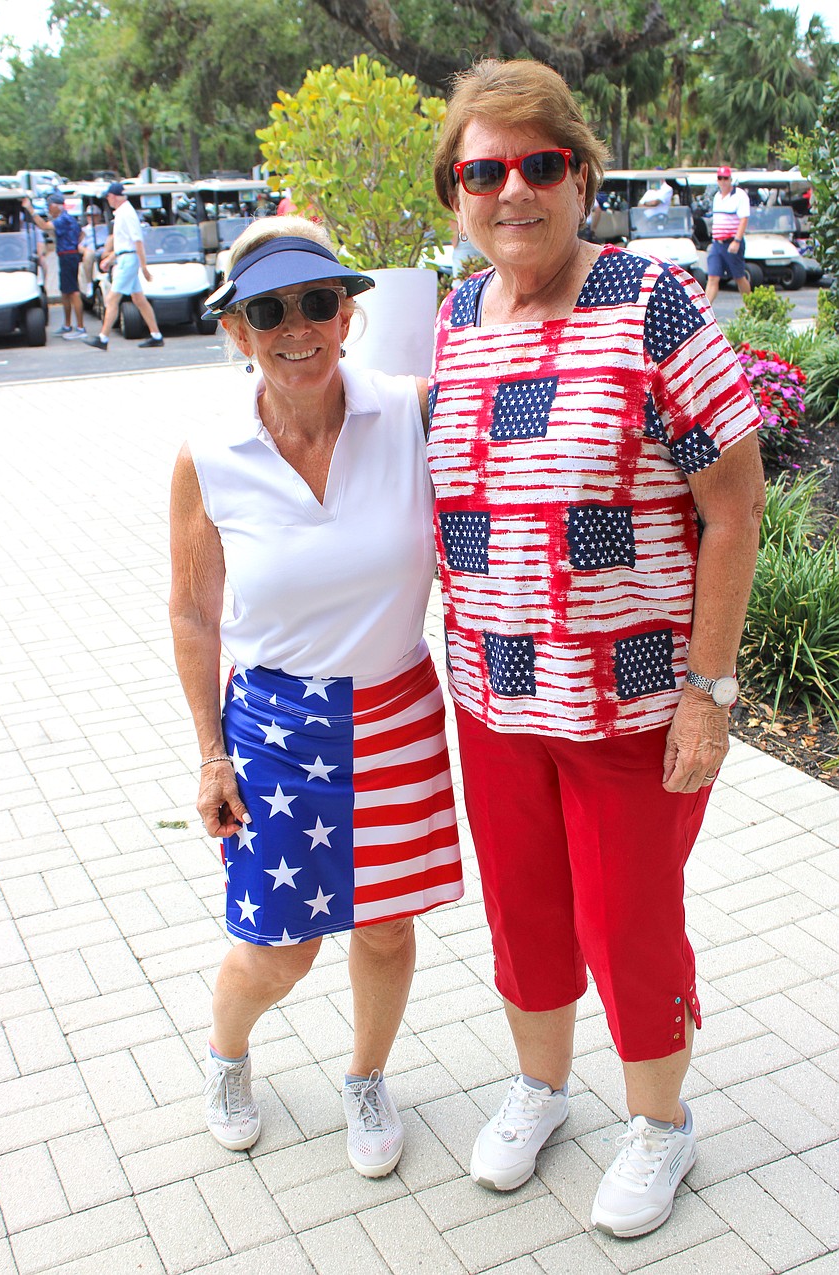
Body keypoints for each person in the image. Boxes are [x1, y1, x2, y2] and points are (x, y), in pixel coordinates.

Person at [429, 59, 765, 1239]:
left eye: (538, 164)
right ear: (454, 191)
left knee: (629, 922)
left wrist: (707, 692)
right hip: (494, 696)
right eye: (483, 170)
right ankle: (539, 1089)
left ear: (580, 173)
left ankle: (659, 1124)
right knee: (524, 915)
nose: (511, 190)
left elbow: (734, 502)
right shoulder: (457, 317)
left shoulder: (649, 301)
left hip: (631, 704)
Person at [169, 215, 463, 1174]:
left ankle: (367, 1075)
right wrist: (210, 752)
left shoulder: (409, 412)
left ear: (348, 314)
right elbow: (195, 617)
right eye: (269, 308)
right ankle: (226, 1053)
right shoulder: (209, 456)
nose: (297, 326)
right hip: (276, 731)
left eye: (317, 301)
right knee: (277, 949)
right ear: (239, 332)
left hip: (397, 711)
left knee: (383, 927)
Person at [85, 182, 164, 351]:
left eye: (108, 197)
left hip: (128, 260)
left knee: (112, 299)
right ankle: (156, 335)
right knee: (138, 299)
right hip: (126, 257)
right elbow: (126, 244)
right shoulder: (123, 212)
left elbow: (137, 241)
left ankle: (103, 337)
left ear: (113, 197)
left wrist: (143, 266)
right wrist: (111, 258)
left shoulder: (126, 213)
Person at [22, 191, 87, 339]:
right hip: (68, 254)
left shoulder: (62, 219)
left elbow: (44, 226)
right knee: (65, 291)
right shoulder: (69, 219)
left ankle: (81, 327)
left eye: (50, 206)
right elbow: (81, 234)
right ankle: (67, 324)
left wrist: (31, 210)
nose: (49, 209)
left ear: (56, 206)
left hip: (67, 255)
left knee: (73, 291)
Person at [705, 166, 752, 304]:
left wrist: (737, 240)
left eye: (726, 178)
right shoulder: (717, 197)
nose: (723, 181)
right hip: (717, 243)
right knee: (713, 277)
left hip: (732, 242)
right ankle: (704, 312)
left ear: (730, 179)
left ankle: (751, 306)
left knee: (739, 277)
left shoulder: (739, 195)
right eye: (720, 178)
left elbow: (744, 219)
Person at [80, 206, 108, 298]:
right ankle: (89, 284)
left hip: (105, 251)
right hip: (92, 252)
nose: (90, 218)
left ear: (99, 216)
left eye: (94, 215)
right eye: (88, 215)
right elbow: (79, 246)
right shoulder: (84, 230)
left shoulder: (106, 228)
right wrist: (86, 250)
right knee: (88, 255)